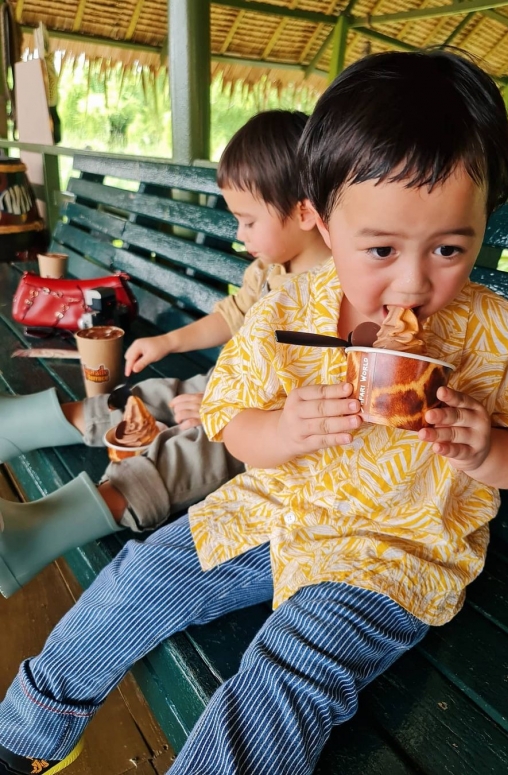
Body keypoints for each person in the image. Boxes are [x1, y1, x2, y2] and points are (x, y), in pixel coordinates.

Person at [0, 50, 508, 774]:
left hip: (387, 552)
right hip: (275, 507)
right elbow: (232, 419)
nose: (414, 280)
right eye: (381, 248)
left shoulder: (494, 334)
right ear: (323, 222)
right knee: (142, 574)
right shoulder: (289, 309)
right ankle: (31, 726)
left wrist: (485, 449)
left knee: (286, 671)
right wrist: (281, 430)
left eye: (450, 248)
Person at [0, 110, 330, 597]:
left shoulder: (335, 293)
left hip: (274, 433)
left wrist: (226, 411)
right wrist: (168, 342)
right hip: (232, 391)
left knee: (187, 452)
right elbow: (232, 316)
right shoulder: (269, 268)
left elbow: (314, 394)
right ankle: (25, 425)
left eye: (248, 220)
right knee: (153, 392)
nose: (240, 234)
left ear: (304, 210)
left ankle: (49, 528)